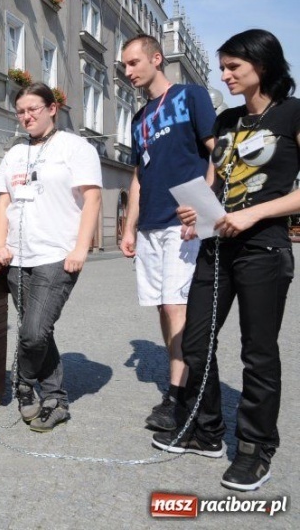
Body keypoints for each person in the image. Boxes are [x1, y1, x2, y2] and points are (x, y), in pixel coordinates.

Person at [153, 29, 300, 492]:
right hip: (216, 247)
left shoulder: (293, 113)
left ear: (263, 64)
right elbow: (215, 184)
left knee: (258, 352)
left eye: (234, 66)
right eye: (222, 67)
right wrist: (198, 211)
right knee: (195, 342)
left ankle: (255, 449)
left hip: (264, 248)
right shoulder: (229, 120)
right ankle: (208, 431)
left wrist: (254, 213)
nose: (225, 75)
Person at [0, 83, 102, 432]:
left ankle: (23, 384)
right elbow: (4, 201)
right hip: (17, 257)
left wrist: (81, 248)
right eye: (21, 112)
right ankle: (55, 398)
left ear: (52, 108)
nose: (26, 117)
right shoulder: (15, 153)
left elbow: (93, 198)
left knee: (34, 333)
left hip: (56, 254)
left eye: (33, 109)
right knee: (36, 329)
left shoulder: (75, 148)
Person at [118, 34, 217, 432]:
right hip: (151, 224)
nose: (128, 71)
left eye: (134, 62)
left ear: (156, 58)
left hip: (184, 222)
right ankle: (182, 385)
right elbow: (139, 175)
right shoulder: (139, 118)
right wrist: (129, 227)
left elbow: (217, 151)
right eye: (125, 65)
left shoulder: (191, 96)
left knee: (178, 306)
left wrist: (205, 209)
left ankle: (178, 396)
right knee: (163, 306)